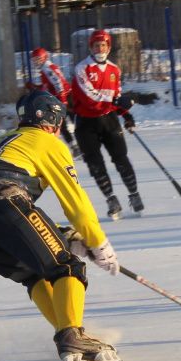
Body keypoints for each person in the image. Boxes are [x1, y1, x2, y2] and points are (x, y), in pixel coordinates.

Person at [0, 91, 123, 361]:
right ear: (53, 120)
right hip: (0, 202)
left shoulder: (2, 141)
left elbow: (9, 212)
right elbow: (74, 200)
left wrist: (63, 234)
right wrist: (97, 241)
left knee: (33, 274)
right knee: (67, 268)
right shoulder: (46, 142)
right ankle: (72, 336)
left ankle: (69, 332)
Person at [70, 29, 142, 220]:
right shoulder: (81, 69)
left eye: (103, 45)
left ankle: (134, 194)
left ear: (108, 47)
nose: (100, 48)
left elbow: (116, 96)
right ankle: (111, 199)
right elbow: (89, 97)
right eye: (96, 45)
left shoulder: (114, 70)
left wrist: (126, 115)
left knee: (121, 158)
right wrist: (116, 100)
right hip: (86, 123)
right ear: (90, 47)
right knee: (96, 164)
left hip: (109, 120)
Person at [26, 47, 80, 155]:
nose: (36, 62)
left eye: (38, 59)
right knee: (62, 124)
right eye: (34, 60)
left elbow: (58, 84)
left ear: (44, 57)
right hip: (60, 98)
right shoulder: (45, 69)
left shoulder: (47, 68)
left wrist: (63, 100)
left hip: (65, 97)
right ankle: (75, 146)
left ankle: (81, 144)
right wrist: (35, 87)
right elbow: (48, 86)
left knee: (68, 122)